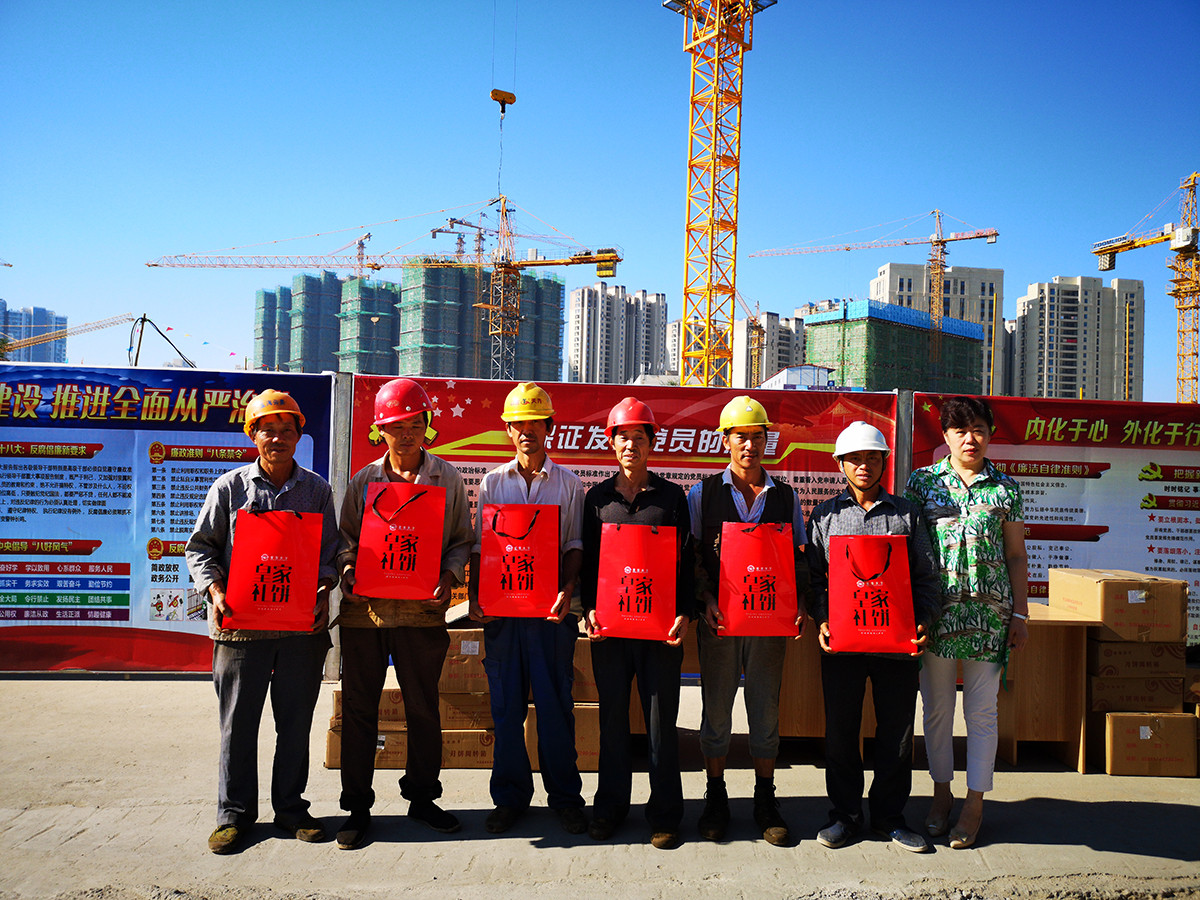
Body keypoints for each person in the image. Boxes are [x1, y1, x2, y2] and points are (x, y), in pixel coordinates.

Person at [185, 389, 339, 855]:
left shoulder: (317, 490)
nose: (277, 437)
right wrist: (216, 592)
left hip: (299, 631)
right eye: (267, 429)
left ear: (298, 435)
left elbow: (329, 554)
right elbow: (200, 549)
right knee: (238, 725)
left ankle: (291, 809)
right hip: (241, 630)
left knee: (294, 724)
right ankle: (233, 816)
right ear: (253, 435)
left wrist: (323, 589)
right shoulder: (229, 488)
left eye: (286, 429)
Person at [333, 378, 474, 849]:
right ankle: (356, 806)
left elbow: (461, 541)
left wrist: (449, 577)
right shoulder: (364, 481)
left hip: (421, 614)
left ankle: (422, 797)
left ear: (427, 425)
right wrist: (349, 571)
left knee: (423, 707)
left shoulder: (447, 479)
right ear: (380, 430)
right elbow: (345, 541)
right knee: (359, 710)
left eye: (415, 423)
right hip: (365, 615)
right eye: (396, 426)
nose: (407, 434)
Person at [805, 421, 941, 853]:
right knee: (841, 733)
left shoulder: (906, 514)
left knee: (896, 735)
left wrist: (924, 620)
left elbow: (927, 576)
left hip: (896, 645)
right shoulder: (824, 516)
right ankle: (843, 816)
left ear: (884, 462)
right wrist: (822, 619)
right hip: (843, 645)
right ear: (840, 465)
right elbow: (815, 579)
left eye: (872, 458)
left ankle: (890, 818)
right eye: (855, 459)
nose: (863, 466)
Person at [904, 396, 1029, 850]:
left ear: (990, 433)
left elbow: (1016, 555)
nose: (969, 438)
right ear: (945, 436)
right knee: (936, 710)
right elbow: (909, 550)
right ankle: (941, 793)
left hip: (989, 618)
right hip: (936, 617)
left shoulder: (1006, 489)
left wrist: (1019, 614)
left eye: (978, 429)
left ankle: (975, 803)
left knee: (981, 712)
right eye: (960, 430)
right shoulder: (922, 483)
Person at [688, 395, 809, 846]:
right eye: (740, 436)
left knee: (765, 712)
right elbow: (692, 557)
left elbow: (798, 557)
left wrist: (798, 602)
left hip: (768, 625)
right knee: (716, 712)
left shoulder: (786, 496)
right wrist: (705, 598)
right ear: (725, 440)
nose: (750, 445)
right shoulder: (702, 494)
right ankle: (715, 796)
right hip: (719, 623)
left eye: (758, 437)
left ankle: (765, 798)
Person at [468, 382, 588, 836]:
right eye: (517, 425)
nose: (526, 432)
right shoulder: (493, 483)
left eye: (534, 424)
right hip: (504, 616)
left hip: (551, 616)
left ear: (548, 427)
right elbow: (482, 546)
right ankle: (510, 798)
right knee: (506, 709)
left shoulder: (569, 484)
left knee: (556, 708)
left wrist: (567, 588)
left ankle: (566, 799)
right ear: (508, 431)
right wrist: (477, 595)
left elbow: (574, 544)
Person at [581, 397, 692, 850]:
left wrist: (683, 611)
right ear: (612, 444)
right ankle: (609, 808)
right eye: (623, 437)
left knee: (662, 724)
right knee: (612, 721)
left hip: (659, 633)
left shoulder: (672, 498)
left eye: (639, 437)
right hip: (609, 631)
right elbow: (588, 564)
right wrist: (587, 610)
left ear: (651, 443)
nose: (631, 445)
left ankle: (665, 815)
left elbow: (686, 562)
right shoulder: (597, 500)